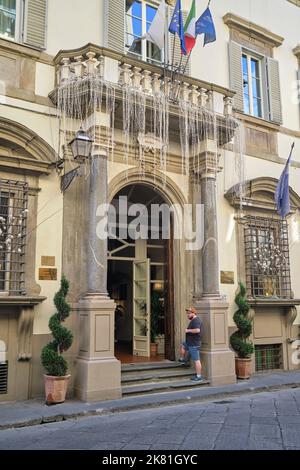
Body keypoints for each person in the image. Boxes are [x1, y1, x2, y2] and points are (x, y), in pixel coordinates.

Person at [179, 307, 204, 382]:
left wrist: (188, 330)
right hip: (190, 342)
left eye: (189, 313)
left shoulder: (196, 320)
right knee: (183, 344)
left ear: (193, 313)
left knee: (196, 360)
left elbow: (197, 330)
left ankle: (199, 377)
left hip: (194, 344)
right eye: (187, 313)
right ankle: (183, 359)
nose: (188, 315)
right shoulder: (193, 320)